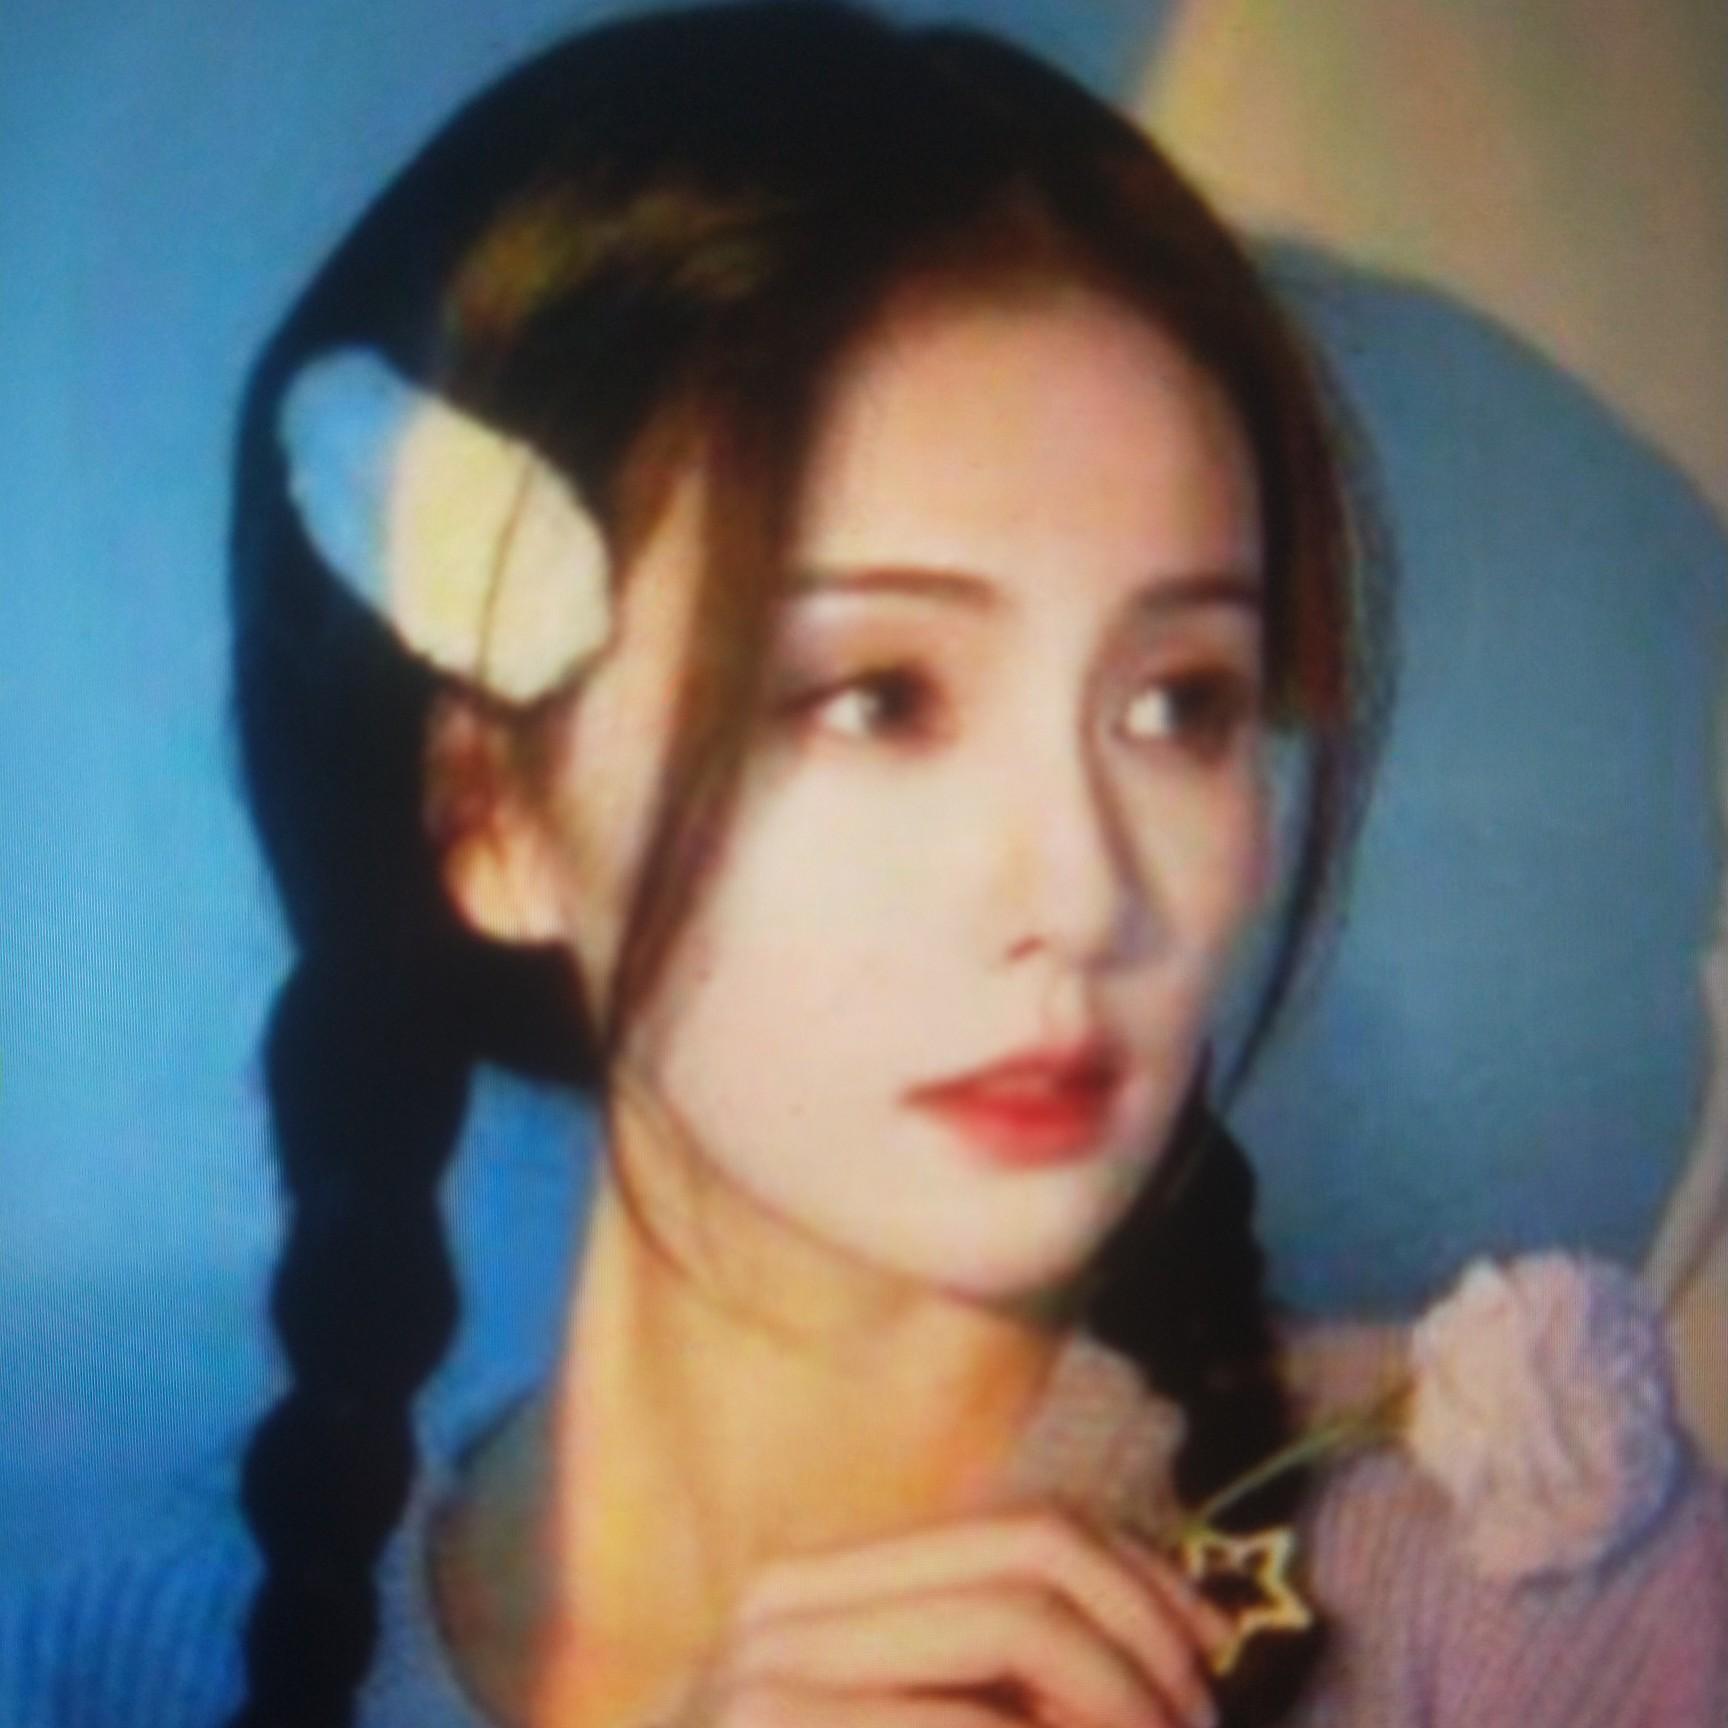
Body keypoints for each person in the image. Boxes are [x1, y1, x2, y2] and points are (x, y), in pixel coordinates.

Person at [3, 4, 1723, 1726]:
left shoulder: (1512, 1587)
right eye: (880, 697)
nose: (1084, 892)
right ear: (490, 816)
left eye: (1179, 703)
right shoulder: (117, 1664)